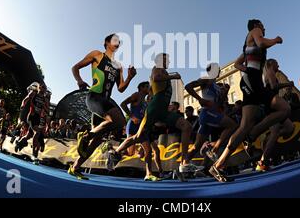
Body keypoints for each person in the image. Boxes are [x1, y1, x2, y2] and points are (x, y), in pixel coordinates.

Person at [210, 19, 287, 182]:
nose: (264, 28)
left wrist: (248, 70)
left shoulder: (247, 45)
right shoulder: (255, 32)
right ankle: (253, 134)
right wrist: (276, 40)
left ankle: (217, 165)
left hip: (251, 80)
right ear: (256, 25)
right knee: (284, 109)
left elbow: (238, 64)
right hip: (253, 81)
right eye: (262, 25)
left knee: (244, 126)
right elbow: (262, 43)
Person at [108, 53, 202, 181]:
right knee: (137, 137)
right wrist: (174, 76)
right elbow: (156, 77)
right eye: (166, 59)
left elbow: (152, 90)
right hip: (154, 110)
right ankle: (115, 153)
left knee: (187, 126)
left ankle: (184, 163)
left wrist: (151, 96)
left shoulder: (163, 73)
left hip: (162, 111)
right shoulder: (158, 69)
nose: (168, 60)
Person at [68, 34, 137, 180]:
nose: (117, 43)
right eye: (114, 40)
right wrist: (79, 81)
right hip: (94, 97)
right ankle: (86, 136)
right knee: (119, 121)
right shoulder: (97, 55)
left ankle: (75, 167)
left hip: (105, 101)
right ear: (106, 42)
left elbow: (121, 88)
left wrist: (130, 77)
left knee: (97, 140)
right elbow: (75, 67)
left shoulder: (118, 66)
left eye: (119, 41)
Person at [185, 63, 237, 163]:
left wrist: (225, 93)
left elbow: (218, 104)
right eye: (217, 69)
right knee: (232, 126)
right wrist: (200, 99)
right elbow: (188, 86)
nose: (219, 71)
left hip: (211, 115)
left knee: (196, 146)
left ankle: (183, 165)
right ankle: (214, 149)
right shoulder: (206, 79)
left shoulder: (217, 86)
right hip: (207, 113)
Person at [255, 59, 294, 171]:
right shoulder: (270, 72)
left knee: (289, 128)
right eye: (277, 63)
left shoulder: (268, 73)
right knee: (276, 131)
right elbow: (273, 87)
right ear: (271, 64)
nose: (278, 65)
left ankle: (268, 138)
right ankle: (262, 162)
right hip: (272, 106)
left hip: (274, 106)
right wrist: (288, 83)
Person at [15, 83, 49, 164]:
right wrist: (23, 105)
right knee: (37, 133)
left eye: (45, 88)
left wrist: (45, 109)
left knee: (29, 135)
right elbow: (25, 99)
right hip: (31, 116)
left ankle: (19, 143)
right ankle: (34, 155)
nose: (43, 89)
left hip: (37, 118)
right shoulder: (33, 93)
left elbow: (47, 110)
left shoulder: (45, 99)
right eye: (42, 87)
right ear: (39, 87)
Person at [120, 82, 150, 156]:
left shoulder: (146, 102)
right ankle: (114, 151)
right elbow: (123, 104)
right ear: (141, 88)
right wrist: (132, 117)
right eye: (146, 86)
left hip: (140, 127)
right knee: (130, 152)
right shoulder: (137, 95)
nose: (148, 88)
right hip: (133, 125)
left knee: (148, 151)